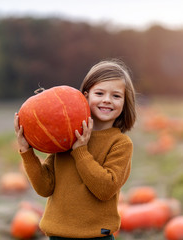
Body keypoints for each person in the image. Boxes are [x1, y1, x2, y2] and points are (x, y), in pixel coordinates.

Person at [14, 59, 137, 240]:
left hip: (97, 235)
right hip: (58, 234)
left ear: (126, 102)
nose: (107, 100)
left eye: (116, 96)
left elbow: (105, 189)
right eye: (100, 93)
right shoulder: (66, 138)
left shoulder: (120, 144)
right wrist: (27, 152)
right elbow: (44, 188)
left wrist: (80, 151)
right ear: (85, 96)